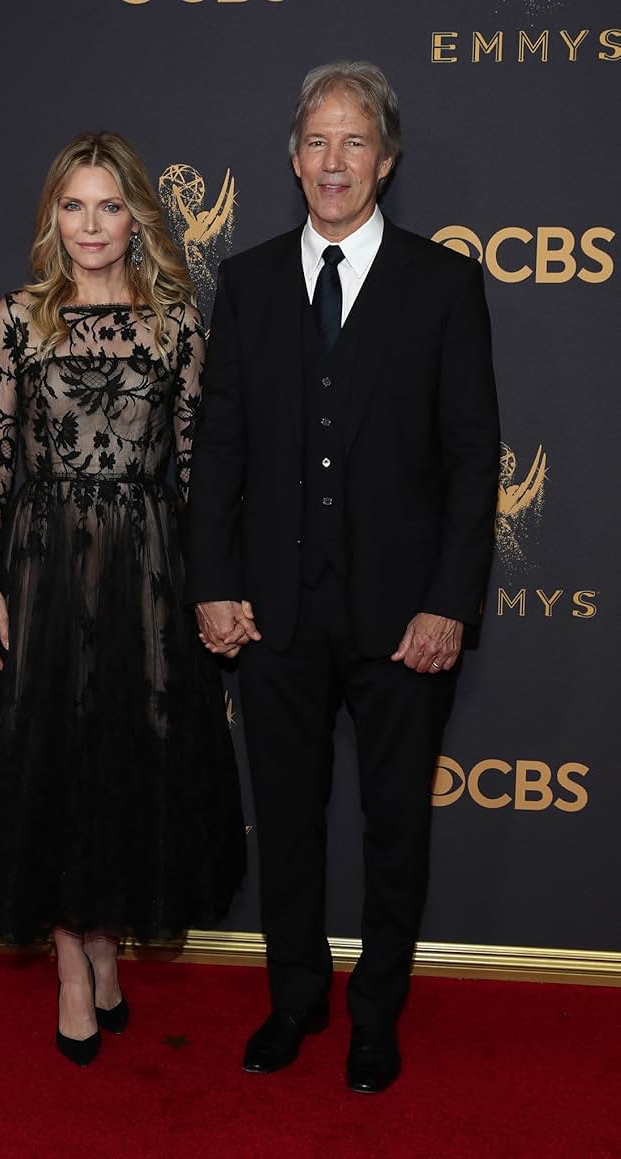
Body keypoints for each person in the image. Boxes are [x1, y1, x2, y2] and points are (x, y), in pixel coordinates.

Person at [185, 60, 499, 1093]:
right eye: (316, 141)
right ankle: (293, 1000)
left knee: (396, 825)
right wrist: (213, 582)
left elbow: (470, 456)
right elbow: (219, 449)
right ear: (291, 158)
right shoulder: (248, 281)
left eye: (353, 141)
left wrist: (449, 600)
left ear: (387, 159)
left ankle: (376, 1013)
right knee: (285, 817)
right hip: (271, 614)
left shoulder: (442, 282)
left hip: (404, 619)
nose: (333, 161)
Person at [0, 132, 245, 1067]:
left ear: (136, 215)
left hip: (149, 568)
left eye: (110, 206)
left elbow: (195, 469)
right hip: (42, 566)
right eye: (74, 206)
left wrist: (210, 587)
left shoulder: (178, 321)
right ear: (52, 217)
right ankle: (74, 963)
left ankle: (108, 945)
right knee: (52, 760)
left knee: (128, 757)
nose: (92, 225)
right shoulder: (20, 318)